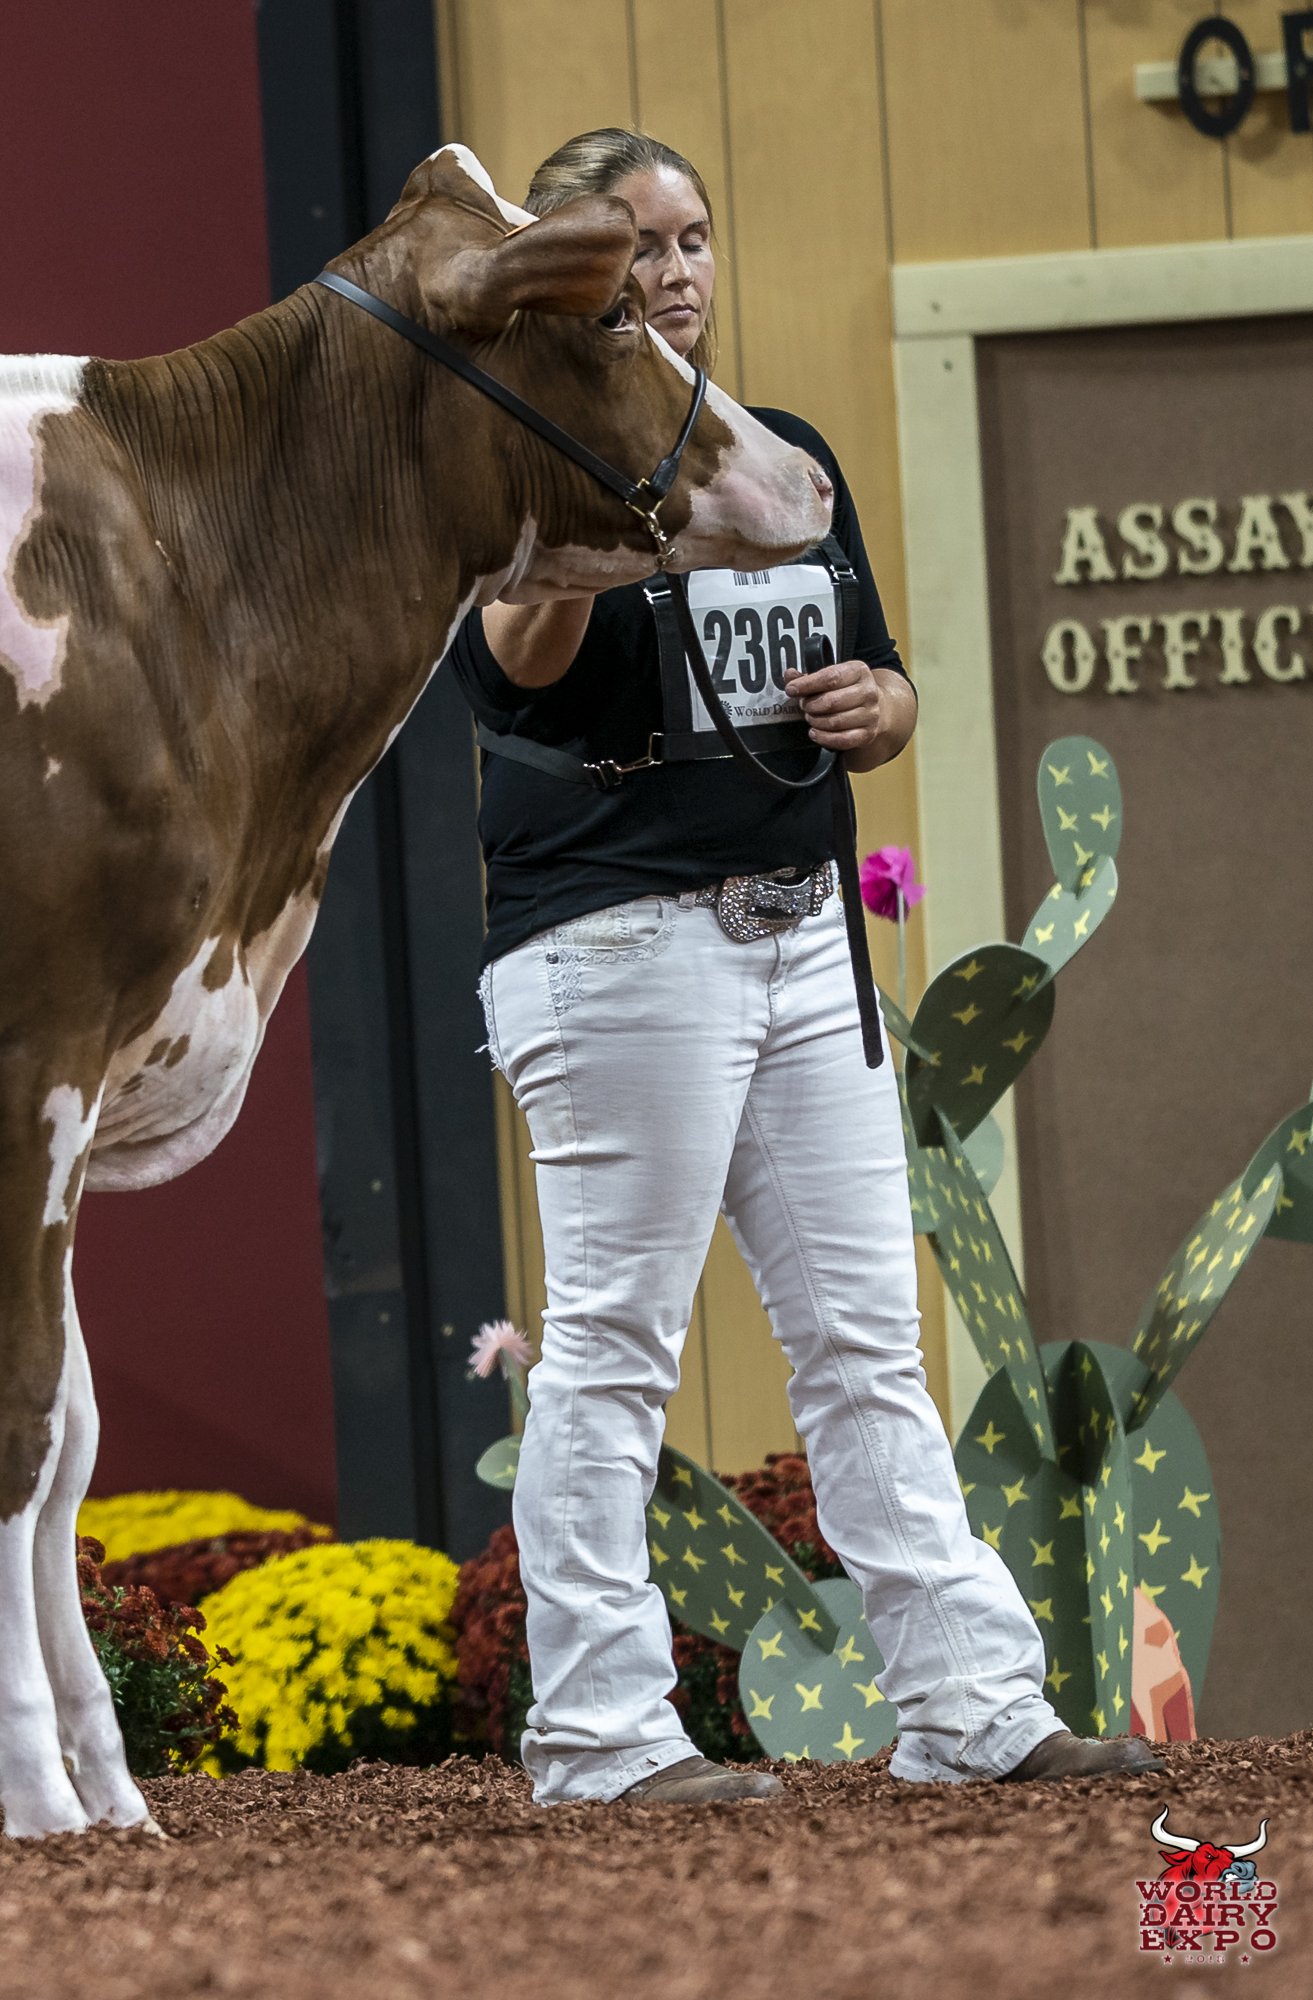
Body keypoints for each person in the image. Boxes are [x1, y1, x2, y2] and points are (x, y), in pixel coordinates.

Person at [458, 128, 1159, 1803]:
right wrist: (627, 522)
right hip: (620, 939)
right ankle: (602, 1735)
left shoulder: (781, 455)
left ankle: (971, 1704)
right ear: (566, 275)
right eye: (633, 246)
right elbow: (514, 675)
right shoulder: (523, 459)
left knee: (868, 1344)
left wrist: (882, 708)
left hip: (798, 932)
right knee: (615, 1346)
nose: (673, 271)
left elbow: (883, 670)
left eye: (692, 238)